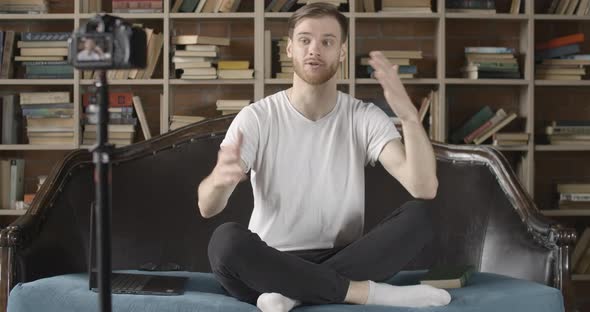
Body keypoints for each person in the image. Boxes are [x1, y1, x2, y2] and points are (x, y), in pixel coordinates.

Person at [197, 3, 451, 311]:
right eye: (305, 40)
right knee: (224, 241)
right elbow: (207, 207)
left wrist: (409, 116)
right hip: (270, 260)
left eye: (327, 41)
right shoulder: (257, 117)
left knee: (419, 217)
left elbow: (423, 188)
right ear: (289, 48)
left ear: (341, 52)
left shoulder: (363, 117)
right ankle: (369, 293)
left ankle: (291, 293)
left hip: (345, 257)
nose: (314, 49)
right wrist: (220, 182)